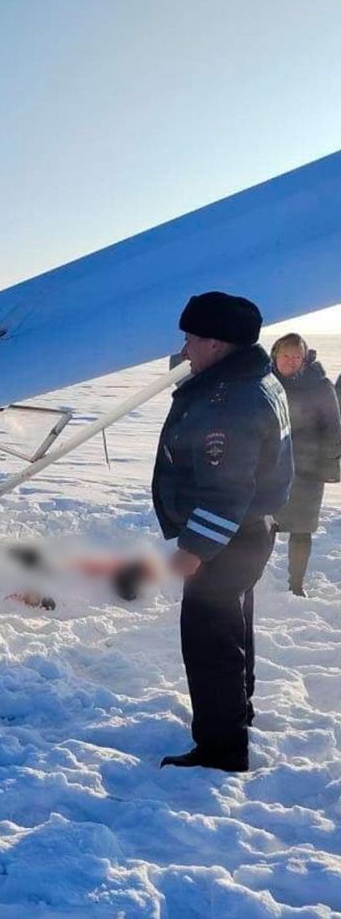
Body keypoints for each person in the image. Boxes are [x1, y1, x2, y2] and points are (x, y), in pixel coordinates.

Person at [152, 292, 293, 772]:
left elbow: (226, 489)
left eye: (191, 338)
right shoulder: (251, 376)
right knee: (233, 629)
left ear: (216, 343)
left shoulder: (229, 403)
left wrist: (195, 549)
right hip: (249, 532)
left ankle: (221, 748)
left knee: (209, 641)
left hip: (228, 537)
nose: (185, 348)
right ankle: (237, 712)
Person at [270, 335, 341, 596]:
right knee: (263, 525)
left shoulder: (319, 386)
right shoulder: (263, 382)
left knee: (301, 529)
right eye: (285, 356)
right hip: (268, 467)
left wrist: (329, 468)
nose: (290, 362)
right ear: (275, 354)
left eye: (296, 357)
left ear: (304, 358)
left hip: (307, 469)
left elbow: (333, 429)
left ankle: (296, 585)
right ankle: (253, 578)